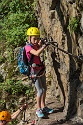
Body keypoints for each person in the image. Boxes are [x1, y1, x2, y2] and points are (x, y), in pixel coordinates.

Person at [25, 27, 54, 118]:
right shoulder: (28, 47)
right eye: (34, 38)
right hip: (34, 71)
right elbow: (36, 53)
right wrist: (43, 46)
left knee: (44, 88)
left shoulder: (34, 45)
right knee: (40, 90)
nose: (36, 40)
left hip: (40, 69)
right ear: (29, 38)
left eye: (37, 38)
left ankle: (43, 106)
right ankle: (38, 109)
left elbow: (38, 49)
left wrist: (41, 43)